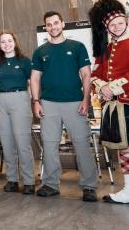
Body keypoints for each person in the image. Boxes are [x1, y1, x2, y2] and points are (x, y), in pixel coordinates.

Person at [30, 11, 98, 202]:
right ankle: (51, 184)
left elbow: (86, 75)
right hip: (49, 104)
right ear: (46, 28)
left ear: (62, 24)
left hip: (75, 103)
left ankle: (89, 186)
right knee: (50, 146)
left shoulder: (77, 47)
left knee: (82, 145)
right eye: (49, 24)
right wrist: (36, 101)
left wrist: (86, 100)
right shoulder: (40, 51)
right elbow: (35, 78)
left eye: (56, 23)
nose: (53, 27)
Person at [89, 0, 129, 204]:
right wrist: (102, 86)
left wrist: (112, 88)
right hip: (115, 108)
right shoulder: (105, 50)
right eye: (112, 25)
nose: (116, 27)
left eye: (120, 23)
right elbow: (96, 74)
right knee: (124, 148)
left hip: (127, 102)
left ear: (126, 21)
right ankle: (128, 190)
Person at [0, 31, 35, 194]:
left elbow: (31, 83)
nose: (6, 44)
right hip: (1, 101)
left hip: (20, 99)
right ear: (0, 45)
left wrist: (31, 101)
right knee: (7, 142)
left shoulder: (24, 61)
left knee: (22, 142)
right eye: (3, 42)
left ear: (15, 42)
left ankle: (29, 181)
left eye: (9, 41)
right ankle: (12, 180)